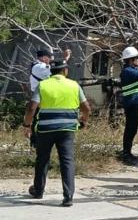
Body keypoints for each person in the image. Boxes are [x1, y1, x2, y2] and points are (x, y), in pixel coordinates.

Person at [22, 59, 91, 207]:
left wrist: (27, 125)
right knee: (67, 161)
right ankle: (68, 197)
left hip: (45, 129)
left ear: (51, 72)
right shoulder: (74, 85)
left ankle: (38, 191)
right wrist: (84, 121)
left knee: (42, 159)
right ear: (65, 71)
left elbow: (31, 108)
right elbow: (86, 108)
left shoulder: (43, 85)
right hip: (67, 130)